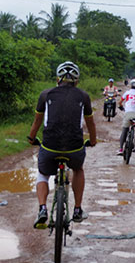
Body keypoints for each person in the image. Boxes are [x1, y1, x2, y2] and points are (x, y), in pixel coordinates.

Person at [28, 61, 97, 229]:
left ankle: (43, 208)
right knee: (78, 169)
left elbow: (37, 121)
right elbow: (90, 123)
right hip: (74, 148)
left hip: (50, 146)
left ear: (57, 78)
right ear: (76, 80)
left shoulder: (46, 94)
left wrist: (31, 137)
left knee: (43, 174)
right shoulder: (84, 96)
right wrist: (93, 140)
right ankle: (78, 210)